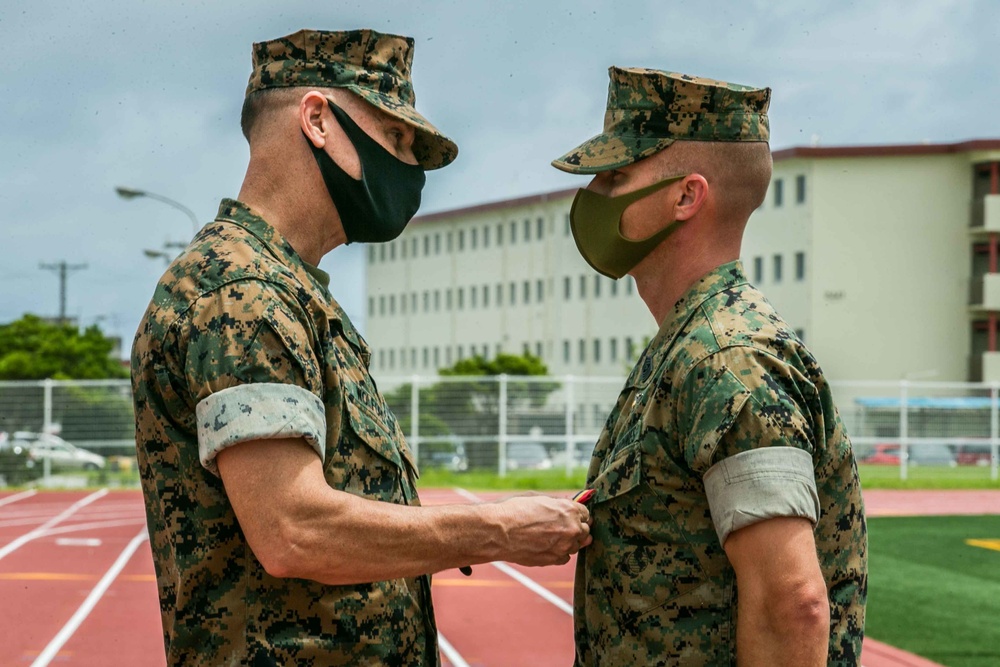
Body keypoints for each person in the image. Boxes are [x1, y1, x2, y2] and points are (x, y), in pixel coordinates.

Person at [131, 28, 590, 667]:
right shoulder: (241, 292)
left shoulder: (290, 291)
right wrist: (497, 530)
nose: (408, 166)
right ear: (317, 119)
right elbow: (294, 529)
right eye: (396, 138)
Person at [552, 67, 867, 666]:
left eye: (616, 175)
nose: (594, 193)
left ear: (686, 196)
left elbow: (791, 602)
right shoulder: (687, 346)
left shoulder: (727, 361)